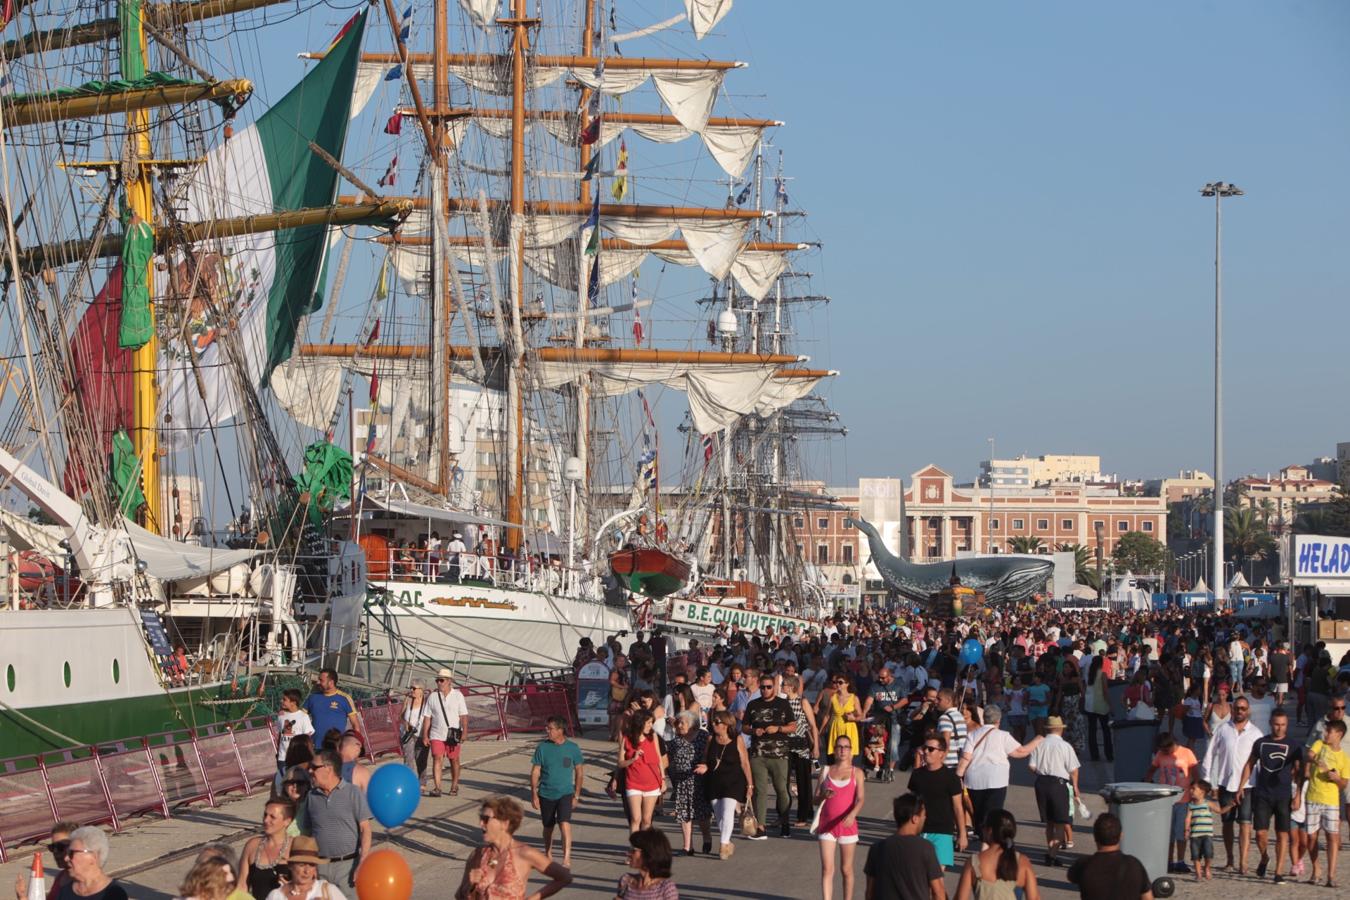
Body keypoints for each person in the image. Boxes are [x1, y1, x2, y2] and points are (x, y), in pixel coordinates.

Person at [454, 797, 571, 900]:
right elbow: (460, 896)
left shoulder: (524, 853)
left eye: (485, 819)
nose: (481, 823)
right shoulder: (478, 855)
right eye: (480, 818)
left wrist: (533, 898)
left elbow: (564, 877)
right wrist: (470, 885)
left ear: (504, 823)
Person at [1236, 707, 1302, 884]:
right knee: (1260, 834)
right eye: (1276, 724)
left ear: (1287, 725)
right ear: (1270, 723)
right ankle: (1265, 857)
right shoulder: (1260, 743)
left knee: (1282, 834)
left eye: (1283, 725)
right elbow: (1249, 764)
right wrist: (1241, 786)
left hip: (1283, 795)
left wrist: (1298, 795)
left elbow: (1299, 772)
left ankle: (1278, 871)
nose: (1279, 728)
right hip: (1263, 793)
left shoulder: (1293, 745)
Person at [956, 705, 1040, 839]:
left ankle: (982, 836)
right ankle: (989, 841)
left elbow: (965, 757)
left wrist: (958, 776)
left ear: (984, 718)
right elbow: (1020, 752)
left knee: (978, 812)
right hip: (996, 779)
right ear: (998, 720)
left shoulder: (972, 735)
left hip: (974, 779)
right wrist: (1037, 740)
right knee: (993, 812)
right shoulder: (1003, 736)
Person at [1201, 693, 1262, 874]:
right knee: (1227, 823)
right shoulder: (1223, 730)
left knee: (1245, 823)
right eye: (1237, 708)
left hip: (1248, 786)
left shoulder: (1256, 733)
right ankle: (1230, 859)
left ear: (1248, 710)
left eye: (1243, 708)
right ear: (1232, 710)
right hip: (1225, 783)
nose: (1240, 711)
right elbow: (1210, 754)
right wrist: (1208, 782)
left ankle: (1243, 862)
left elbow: (1259, 762)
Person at [304, 749, 371, 888]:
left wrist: (363, 861)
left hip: (348, 868)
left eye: (314, 767)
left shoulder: (353, 792)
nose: (309, 771)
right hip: (320, 869)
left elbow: (365, 829)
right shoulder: (311, 797)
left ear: (328, 768)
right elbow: (308, 833)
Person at [863, 793, 946, 900]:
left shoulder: (877, 848)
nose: (925, 818)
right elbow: (938, 891)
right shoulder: (925, 848)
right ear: (915, 818)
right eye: (923, 815)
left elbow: (870, 892)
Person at [743, 673, 795, 838]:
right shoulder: (752, 705)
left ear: (774, 687)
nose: (765, 690)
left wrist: (778, 729)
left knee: (781, 789)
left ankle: (784, 822)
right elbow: (744, 727)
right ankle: (761, 826)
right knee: (760, 790)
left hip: (779, 754)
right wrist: (753, 730)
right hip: (758, 753)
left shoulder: (783, 704)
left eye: (769, 687)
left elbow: (793, 726)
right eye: (763, 687)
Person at [815, 734, 866, 900]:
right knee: (827, 869)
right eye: (839, 747)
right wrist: (823, 795)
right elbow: (815, 799)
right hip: (827, 824)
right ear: (834, 750)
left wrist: (852, 815)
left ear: (851, 751)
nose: (843, 750)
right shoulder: (825, 770)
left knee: (846, 869)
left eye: (846, 747)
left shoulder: (857, 772)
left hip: (847, 825)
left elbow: (860, 798)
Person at [530, 716, 585, 867]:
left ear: (560, 730)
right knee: (548, 826)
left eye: (550, 728)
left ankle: (566, 857)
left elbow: (579, 772)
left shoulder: (572, 748)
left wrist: (577, 794)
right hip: (546, 793)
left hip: (565, 793)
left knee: (564, 822)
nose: (547, 730)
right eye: (546, 728)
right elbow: (535, 771)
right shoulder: (542, 748)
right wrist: (533, 793)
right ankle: (548, 852)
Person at [1141, 732, 1198, 875]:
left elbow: (1195, 773)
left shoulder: (1187, 753)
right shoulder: (1160, 755)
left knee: (1181, 832)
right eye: (1163, 750)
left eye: (1167, 749)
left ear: (1173, 743)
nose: (1165, 752)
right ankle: (1168, 861)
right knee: (1168, 833)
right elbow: (1151, 770)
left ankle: (1180, 861)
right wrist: (1146, 783)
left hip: (1182, 799)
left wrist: (1195, 791)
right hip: (1165, 800)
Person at [1027, 716, 1080, 867]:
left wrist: (1041, 772)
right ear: (1061, 729)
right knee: (1061, 822)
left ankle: (1051, 851)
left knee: (1049, 822)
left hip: (1042, 782)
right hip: (1059, 784)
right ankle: (1052, 854)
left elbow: (1031, 766)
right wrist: (1075, 787)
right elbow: (1074, 770)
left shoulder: (1040, 744)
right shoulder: (1065, 746)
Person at [954, 808, 1041, 900]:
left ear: (989, 831)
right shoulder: (1022, 862)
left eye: (983, 826)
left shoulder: (975, 862)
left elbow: (960, 898)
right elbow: (1034, 898)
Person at [908, 732, 966, 868]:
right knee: (919, 877)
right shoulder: (917, 775)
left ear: (942, 753)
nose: (926, 752)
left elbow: (958, 808)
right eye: (924, 748)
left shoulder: (951, 778)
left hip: (943, 832)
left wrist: (962, 834)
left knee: (937, 878)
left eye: (931, 749)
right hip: (920, 831)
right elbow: (911, 803)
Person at [1304, 718, 1348, 887]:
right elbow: (1309, 754)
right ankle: (1316, 869)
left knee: (1332, 837)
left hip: (1331, 801)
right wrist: (1317, 761)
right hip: (1313, 797)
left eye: (1330, 732)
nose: (1326, 734)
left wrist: (1336, 778)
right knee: (1311, 837)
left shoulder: (1344, 758)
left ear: (1339, 735)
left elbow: (1344, 783)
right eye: (1326, 731)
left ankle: (1331, 875)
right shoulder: (1319, 744)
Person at [1067, 813, 1153, 900]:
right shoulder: (1134, 864)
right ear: (1120, 836)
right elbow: (1147, 897)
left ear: (1095, 836)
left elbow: (1071, 876)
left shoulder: (1083, 865)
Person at [703, 710, 752, 859]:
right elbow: (705, 758)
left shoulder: (737, 739)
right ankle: (728, 842)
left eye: (717, 722)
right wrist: (704, 765)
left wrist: (750, 785)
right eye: (713, 721)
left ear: (726, 724)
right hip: (714, 781)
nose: (714, 724)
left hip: (733, 782)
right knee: (719, 816)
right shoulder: (711, 739)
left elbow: (745, 763)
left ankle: (723, 845)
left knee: (727, 810)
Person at [665, 710, 712, 856]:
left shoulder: (704, 737)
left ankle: (706, 837)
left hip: (700, 780)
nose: (678, 725)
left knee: (702, 813)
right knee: (683, 813)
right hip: (682, 781)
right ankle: (687, 846)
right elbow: (668, 759)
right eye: (678, 722)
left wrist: (706, 765)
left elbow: (711, 755)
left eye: (682, 722)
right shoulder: (675, 741)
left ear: (693, 725)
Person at [422, 668, 469, 797]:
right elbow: (427, 717)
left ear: (449, 681)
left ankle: (454, 785)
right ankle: (438, 787)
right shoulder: (432, 696)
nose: (439, 683)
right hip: (436, 734)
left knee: (454, 760)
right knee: (437, 758)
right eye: (437, 680)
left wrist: (464, 732)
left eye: (441, 680)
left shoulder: (458, 695)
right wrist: (425, 735)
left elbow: (464, 715)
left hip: (453, 734)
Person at [618, 710, 667, 832]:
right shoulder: (626, 739)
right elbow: (620, 763)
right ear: (640, 723)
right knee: (635, 818)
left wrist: (663, 779)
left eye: (652, 722)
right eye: (649, 722)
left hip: (652, 784)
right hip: (633, 783)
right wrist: (632, 759)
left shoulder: (653, 736)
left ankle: (644, 847)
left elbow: (659, 759)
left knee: (646, 820)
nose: (651, 725)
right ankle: (635, 848)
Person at [237, 799, 295, 900]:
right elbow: (242, 886)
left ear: (287, 821)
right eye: (265, 815)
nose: (266, 820)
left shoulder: (296, 846)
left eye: (272, 817)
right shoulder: (252, 845)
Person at [784, 674, 822, 826]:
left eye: (784, 685)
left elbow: (813, 725)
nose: (782, 688)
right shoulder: (783, 702)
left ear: (791, 687)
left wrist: (816, 746)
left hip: (801, 745)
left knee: (803, 780)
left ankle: (803, 815)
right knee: (784, 781)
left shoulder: (802, 701)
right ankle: (784, 813)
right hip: (786, 744)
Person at [262, 836, 346, 900]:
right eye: (301, 865)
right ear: (290, 865)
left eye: (311, 865)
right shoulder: (276, 896)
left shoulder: (328, 890)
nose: (307, 871)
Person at [56, 826, 128, 900]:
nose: (66, 858)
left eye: (71, 853)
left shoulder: (114, 894)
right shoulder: (65, 891)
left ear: (93, 856)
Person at [863, 665, 908, 782]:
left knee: (892, 746)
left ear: (890, 676)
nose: (881, 680)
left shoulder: (898, 684)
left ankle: (890, 770)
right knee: (875, 744)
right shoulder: (875, 685)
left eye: (883, 678)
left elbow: (905, 700)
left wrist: (893, 707)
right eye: (879, 677)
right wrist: (864, 712)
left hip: (894, 719)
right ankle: (874, 767)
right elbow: (869, 700)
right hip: (879, 719)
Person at [12, 821, 77, 900]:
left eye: (60, 847)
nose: (55, 852)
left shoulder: (86, 883)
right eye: (52, 847)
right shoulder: (61, 878)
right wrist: (22, 897)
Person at [302, 669, 359, 750]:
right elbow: (300, 717)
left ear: (331, 682)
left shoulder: (344, 698)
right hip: (314, 747)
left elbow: (355, 724)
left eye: (321, 680)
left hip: (336, 748)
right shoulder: (313, 697)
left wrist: (356, 744)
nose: (318, 682)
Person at [616, 828, 679, 900]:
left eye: (633, 850)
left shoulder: (666, 889)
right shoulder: (626, 881)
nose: (628, 853)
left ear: (649, 854)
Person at [275, 689, 314, 789]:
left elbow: (307, 737)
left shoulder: (303, 717)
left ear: (293, 702)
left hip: (298, 757)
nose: (281, 701)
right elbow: (280, 734)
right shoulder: (281, 716)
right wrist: (278, 751)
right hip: (283, 757)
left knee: (298, 782)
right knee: (284, 783)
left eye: (284, 699)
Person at [1183, 779, 1221, 882]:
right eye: (1190, 789)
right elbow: (1187, 818)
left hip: (1207, 834)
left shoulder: (1208, 803)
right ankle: (1198, 874)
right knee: (1195, 856)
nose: (1191, 791)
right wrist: (1186, 830)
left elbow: (1220, 811)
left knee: (1208, 854)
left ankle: (1207, 867)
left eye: (1193, 789)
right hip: (1195, 835)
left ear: (1202, 791)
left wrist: (1230, 805)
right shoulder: (1191, 805)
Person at [824, 675, 862, 762]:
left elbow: (860, 715)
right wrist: (821, 730)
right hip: (836, 728)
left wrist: (853, 718)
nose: (837, 684)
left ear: (847, 684)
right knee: (837, 756)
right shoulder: (833, 697)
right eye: (836, 682)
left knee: (848, 757)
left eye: (840, 682)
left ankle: (848, 775)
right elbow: (827, 715)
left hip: (849, 728)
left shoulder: (854, 698)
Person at [400, 680, 430, 787]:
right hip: (408, 734)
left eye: (414, 688)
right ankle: (409, 782)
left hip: (422, 734)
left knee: (421, 759)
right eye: (411, 688)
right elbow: (401, 716)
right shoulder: (408, 700)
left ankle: (422, 782)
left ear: (421, 690)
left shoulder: (427, 702)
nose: (411, 690)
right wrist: (406, 723)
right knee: (408, 758)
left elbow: (430, 718)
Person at [1083, 655, 1113, 762]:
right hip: (1101, 705)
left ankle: (1094, 755)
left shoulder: (1089, 675)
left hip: (1090, 705)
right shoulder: (1103, 674)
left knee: (1092, 730)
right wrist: (1111, 705)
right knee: (1106, 731)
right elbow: (1105, 691)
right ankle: (1109, 754)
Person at [935, 689, 968, 769]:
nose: (935, 701)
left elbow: (946, 741)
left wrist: (940, 761)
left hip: (948, 762)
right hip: (959, 760)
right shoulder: (960, 716)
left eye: (939, 699)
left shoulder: (944, 718)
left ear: (948, 701)